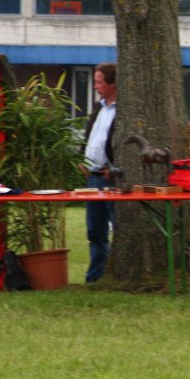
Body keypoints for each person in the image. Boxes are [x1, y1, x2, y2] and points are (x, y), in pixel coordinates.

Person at [81, 62, 117, 282]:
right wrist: (80, 158)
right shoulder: (98, 108)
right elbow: (90, 137)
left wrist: (114, 169)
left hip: (110, 179)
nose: (95, 86)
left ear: (112, 83)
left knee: (117, 228)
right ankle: (95, 277)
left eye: (99, 81)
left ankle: (113, 273)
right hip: (92, 177)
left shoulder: (123, 111)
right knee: (95, 231)